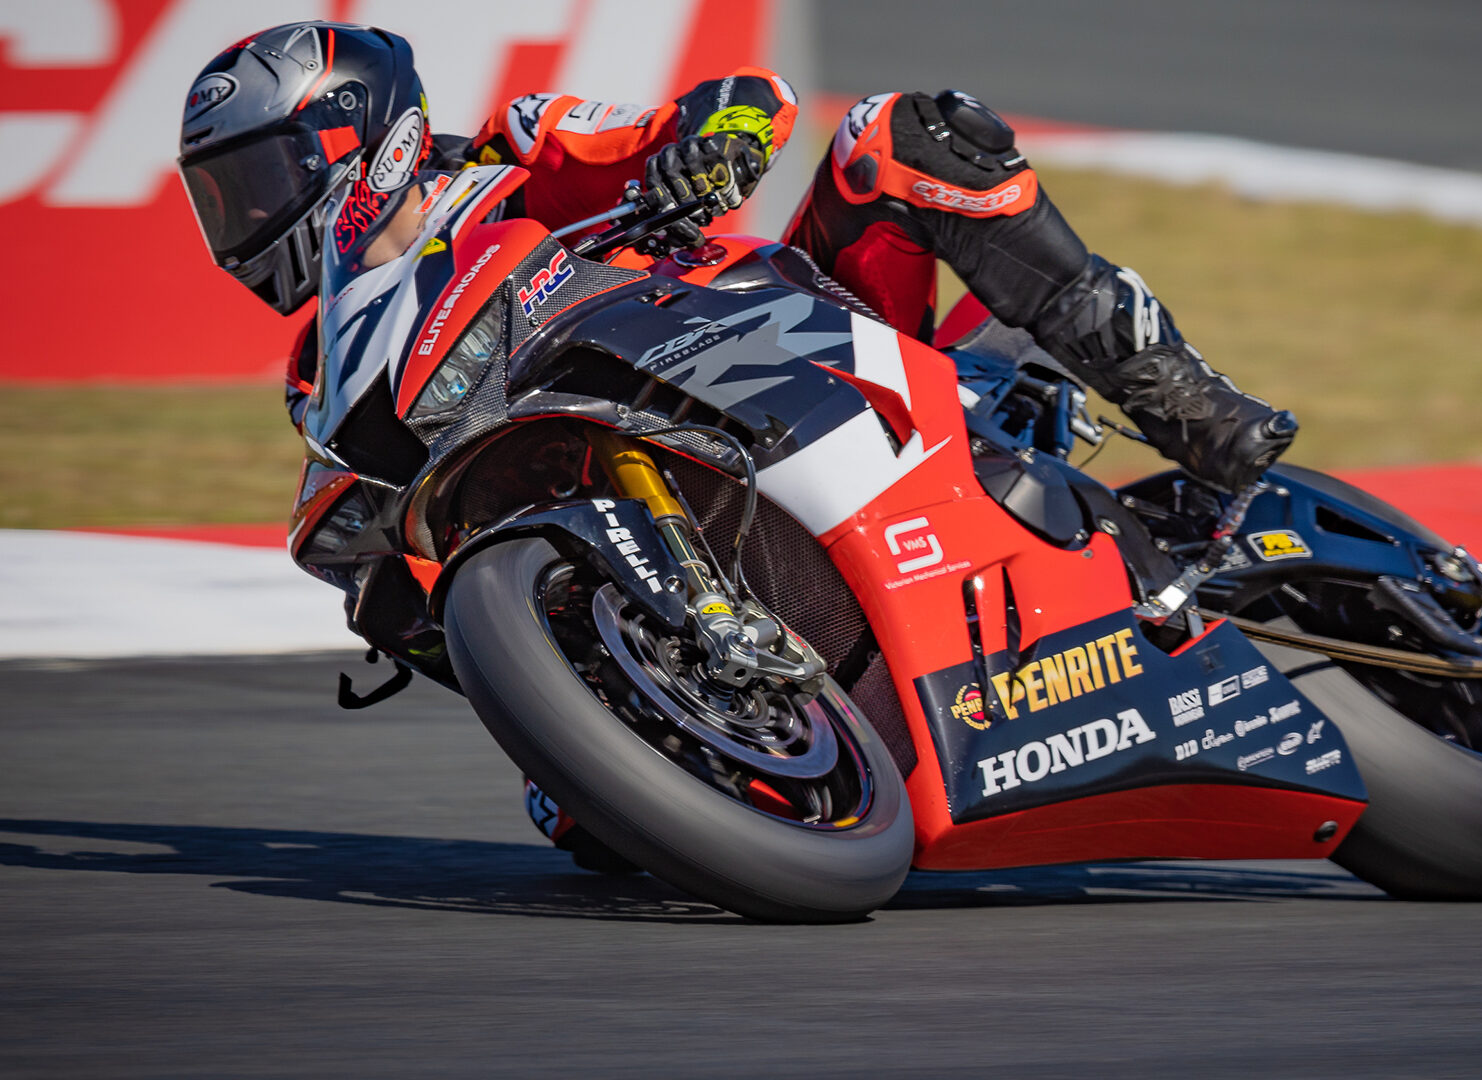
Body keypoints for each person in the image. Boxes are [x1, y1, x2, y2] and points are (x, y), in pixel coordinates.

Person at [177, 22, 1297, 865]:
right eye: (222, 199)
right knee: (591, 836)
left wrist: (710, 149)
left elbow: (746, 98)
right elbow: (370, 543)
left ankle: (1192, 409)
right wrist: (413, 611)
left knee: (900, 136)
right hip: (623, 491)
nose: (246, 219)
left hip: (797, 336)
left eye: (258, 181)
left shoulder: (517, 152)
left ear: (358, 133)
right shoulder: (323, 367)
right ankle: (677, 702)